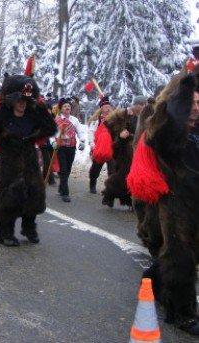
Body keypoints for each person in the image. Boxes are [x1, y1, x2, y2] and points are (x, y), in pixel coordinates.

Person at [128, 68, 199, 336]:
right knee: (181, 255)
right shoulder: (166, 128)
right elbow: (156, 136)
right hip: (176, 201)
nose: (194, 108)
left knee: (188, 253)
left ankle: (155, 276)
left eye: (198, 103)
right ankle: (182, 313)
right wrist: (180, 98)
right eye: (190, 102)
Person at [0, 75, 57, 246]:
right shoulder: (4, 115)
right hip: (9, 163)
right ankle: (5, 233)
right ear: (12, 100)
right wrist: (1, 111)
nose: (22, 104)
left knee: (35, 195)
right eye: (19, 100)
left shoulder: (32, 115)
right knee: (8, 198)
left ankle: (29, 227)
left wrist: (42, 110)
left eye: (25, 100)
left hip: (30, 161)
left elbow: (51, 128)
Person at [99, 95, 146, 207]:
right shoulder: (124, 116)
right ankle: (109, 194)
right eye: (142, 105)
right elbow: (110, 125)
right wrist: (121, 136)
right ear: (136, 105)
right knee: (121, 176)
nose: (144, 107)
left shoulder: (143, 117)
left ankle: (130, 198)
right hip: (123, 151)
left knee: (133, 177)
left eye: (145, 104)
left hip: (137, 151)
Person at [53, 97, 86, 202]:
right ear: (61, 109)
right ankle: (65, 193)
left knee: (68, 169)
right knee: (63, 169)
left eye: (68, 106)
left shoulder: (74, 120)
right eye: (65, 106)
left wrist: (82, 141)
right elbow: (51, 133)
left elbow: (80, 131)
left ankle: (61, 187)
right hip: (61, 147)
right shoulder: (57, 120)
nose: (67, 107)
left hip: (71, 147)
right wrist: (53, 142)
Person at [87, 96, 114, 194]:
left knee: (112, 170)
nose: (108, 108)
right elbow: (91, 133)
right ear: (101, 109)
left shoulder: (114, 119)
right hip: (99, 148)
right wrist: (92, 144)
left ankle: (110, 189)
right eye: (106, 107)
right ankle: (92, 183)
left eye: (109, 107)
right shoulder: (96, 121)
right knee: (96, 169)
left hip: (111, 149)